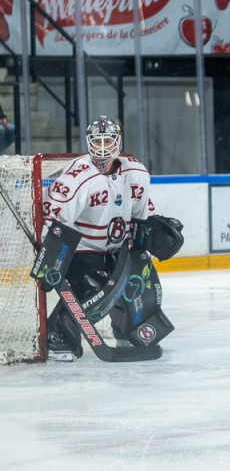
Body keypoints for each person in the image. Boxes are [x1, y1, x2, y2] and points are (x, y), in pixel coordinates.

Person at [41, 117, 176, 361]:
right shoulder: (77, 177)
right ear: (88, 143)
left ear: (118, 142)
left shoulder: (136, 172)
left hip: (119, 248)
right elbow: (54, 221)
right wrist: (50, 260)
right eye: (97, 141)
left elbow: (142, 217)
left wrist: (153, 233)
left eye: (108, 141)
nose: (102, 148)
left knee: (139, 280)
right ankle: (58, 336)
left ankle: (128, 331)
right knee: (96, 286)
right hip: (82, 250)